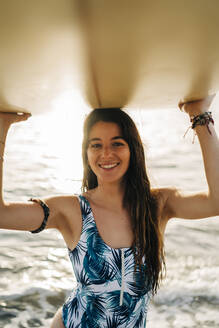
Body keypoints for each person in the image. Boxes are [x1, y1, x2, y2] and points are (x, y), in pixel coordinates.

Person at [0, 95, 218, 328]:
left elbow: (216, 202)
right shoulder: (72, 210)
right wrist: (1, 128)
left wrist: (199, 116)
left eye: (117, 143)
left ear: (132, 149)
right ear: (86, 153)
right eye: (96, 145)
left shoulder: (157, 205)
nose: (106, 154)